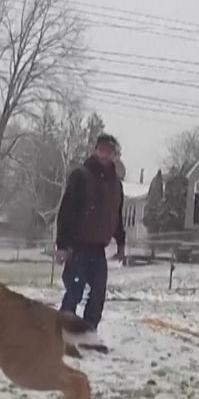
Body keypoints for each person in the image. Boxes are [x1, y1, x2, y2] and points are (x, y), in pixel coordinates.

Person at [55, 134, 126, 330]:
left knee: (98, 294)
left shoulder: (116, 185)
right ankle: (62, 330)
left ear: (114, 155)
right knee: (75, 290)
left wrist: (120, 243)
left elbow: (116, 215)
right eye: (102, 149)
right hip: (78, 246)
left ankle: (87, 332)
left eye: (109, 151)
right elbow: (66, 211)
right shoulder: (81, 176)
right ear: (95, 150)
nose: (105, 154)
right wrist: (62, 246)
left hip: (98, 248)